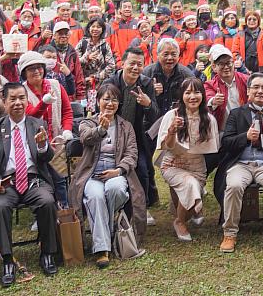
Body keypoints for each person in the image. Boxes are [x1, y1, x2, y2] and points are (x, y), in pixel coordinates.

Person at [0, 82, 59, 286]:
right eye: (12, 99)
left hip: (34, 179)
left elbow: (47, 157)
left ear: (27, 100)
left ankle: (47, 253)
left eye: (21, 98)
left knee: (47, 201)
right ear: (5, 103)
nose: (17, 103)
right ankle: (7, 259)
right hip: (7, 182)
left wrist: (43, 145)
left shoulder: (37, 123)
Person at [214, 73, 263, 254]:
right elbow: (226, 142)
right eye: (256, 87)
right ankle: (230, 233)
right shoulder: (236, 114)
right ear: (248, 91)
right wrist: (245, 137)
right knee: (233, 186)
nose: (260, 91)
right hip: (240, 163)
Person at [69, 84, 146, 268]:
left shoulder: (126, 126)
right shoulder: (87, 123)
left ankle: (106, 233)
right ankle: (102, 249)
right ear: (98, 101)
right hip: (92, 174)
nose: (110, 103)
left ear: (119, 104)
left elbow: (132, 154)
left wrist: (118, 171)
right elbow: (86, 138)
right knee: (95, 196)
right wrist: (101, 130)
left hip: (116, 172)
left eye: (114, 100)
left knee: (116, 189)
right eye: (106, 99)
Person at [157, 78, 220, 241]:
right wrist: (172, 131)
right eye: (188, 92)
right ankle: (179, 222)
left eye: (197, 92)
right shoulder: (172, 115)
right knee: (189, 185)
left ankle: (190, 209)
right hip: (173, 163)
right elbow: (166, 146)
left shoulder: (208, 119)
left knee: (190, 187)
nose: (193, 96)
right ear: (181, 95)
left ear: (203, 95)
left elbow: (210, 148)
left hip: (197, 165)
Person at [103, 47, 160, 209]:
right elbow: (100, 107)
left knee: (141, 169)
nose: (135, 68)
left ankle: (142, 206)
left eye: (139, 64)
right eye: (132, 63)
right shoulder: (111, 83)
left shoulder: (146, 83)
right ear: (122, 63)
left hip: (137, 137)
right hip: (111, 135)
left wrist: (148, 104)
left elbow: (155, 116)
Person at [18, 51, 73, 208]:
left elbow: (67, 112)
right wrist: (44, 102)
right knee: (43, 178)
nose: (36, 71)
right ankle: (44, 210)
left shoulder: (56, 85)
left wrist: (67, 130)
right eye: (31, 69)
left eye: (39, 67)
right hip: (34, 144)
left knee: (60, 177)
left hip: (57, 140)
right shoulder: (22, 92)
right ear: (24, 72)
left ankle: (63, 209)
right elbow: (31, 115)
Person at [204, 44, 248, 130]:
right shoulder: (209, 85)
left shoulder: (246, 80)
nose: (226, 67)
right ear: (214, 67)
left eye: (228, 63)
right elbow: (208, 97)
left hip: (246, 129)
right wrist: (214, 101)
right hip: (223, 131)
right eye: (221, 64)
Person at [51, 21, 86, 102]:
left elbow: (78, 75)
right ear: (54, 36)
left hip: (69, 96)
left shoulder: (72, 52)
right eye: (60, 34)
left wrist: (80, 97)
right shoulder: (48, 51)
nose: (63, 36)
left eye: (66, 34)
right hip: (52, 95)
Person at [78, 17, 118, 89]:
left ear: (102, 29)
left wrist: (96, 77)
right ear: (89, 28)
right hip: (83, 83)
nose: (95, 29)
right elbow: (75, 62)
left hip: (100, 84)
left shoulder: (105, 45)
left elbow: (111, 65)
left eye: (98, 27)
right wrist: (87, 58)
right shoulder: (82, 43)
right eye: (93, 26)